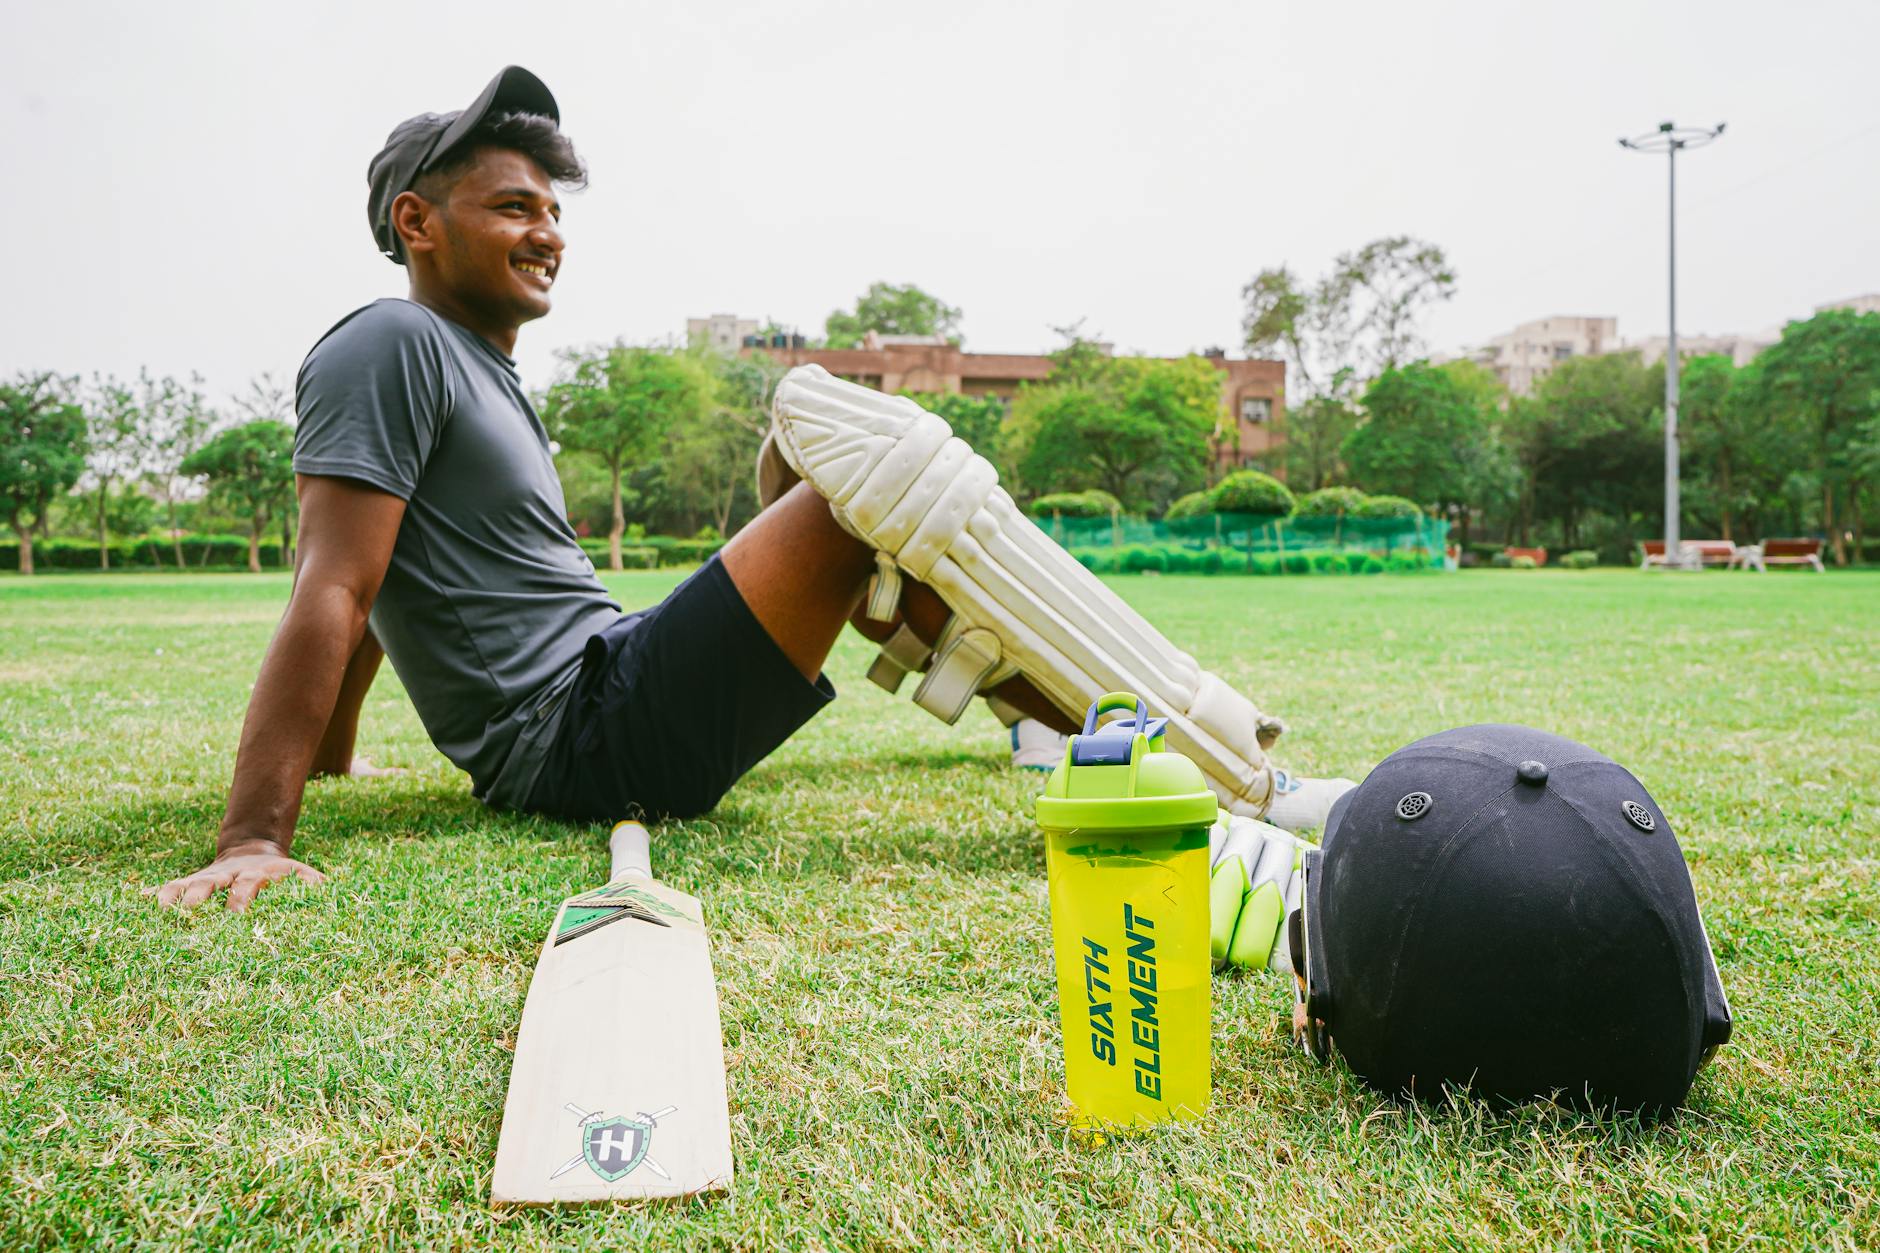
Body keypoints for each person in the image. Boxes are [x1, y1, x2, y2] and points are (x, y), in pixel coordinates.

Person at [154, 66, 1340, 915]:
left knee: (871, 511)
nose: (547, 232)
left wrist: (337, 754)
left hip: (605, 693)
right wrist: (256, 833)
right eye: (513, 205)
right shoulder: (386, 345)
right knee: (873, 470)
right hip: (579, 737)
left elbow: (386, 574)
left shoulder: (481, 373)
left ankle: (1070, 735)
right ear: (415, 222)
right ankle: (1242, 782)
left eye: (553, 211)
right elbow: (337, 579)